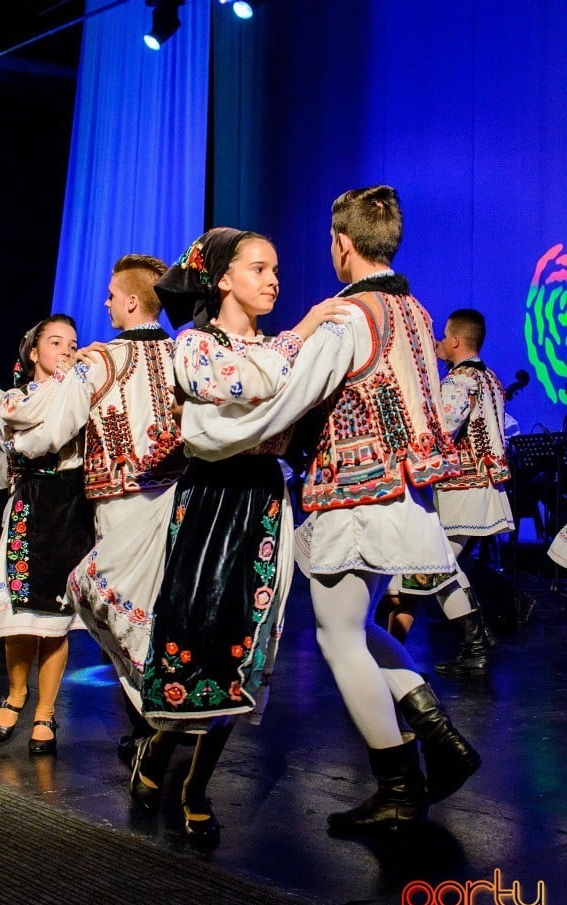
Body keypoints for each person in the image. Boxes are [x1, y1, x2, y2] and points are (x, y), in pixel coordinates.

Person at [179, 188, 482, 837]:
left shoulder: (350, 316)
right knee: (357, 625)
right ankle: (440, 737)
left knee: (337, 636)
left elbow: (288, 394)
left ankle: (400, 786)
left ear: (342, 243)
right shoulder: (412, 307)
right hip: (400, 490)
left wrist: (211, 431)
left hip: (357, 493)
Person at [137, 227, 344, 843]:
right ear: (223, 278)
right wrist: (301, 334)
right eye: (259, 268)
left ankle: (197, 785)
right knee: (191, 631)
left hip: (261, 499)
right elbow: (238, 381)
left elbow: (285, 400)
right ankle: (158, 745)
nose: (273, 279)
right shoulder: (195, 345)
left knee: (240, 642)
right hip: (208, 501)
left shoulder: (281, 349)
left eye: (276, 268)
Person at [1, 255, 184, 761]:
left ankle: (155, 724)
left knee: (107, 606)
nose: (104, 302)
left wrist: (18, 445)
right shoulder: (181, 353)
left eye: (109, 295)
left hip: (121, 502)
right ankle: (153, 726)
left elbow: (54, 429)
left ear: (130, 301)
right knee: (157, 611)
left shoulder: (101, 361)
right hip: (175, 499)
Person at [0, 315, 94, 754]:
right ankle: (16, 694)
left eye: (72, 343)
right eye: (55, 342)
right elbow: (26, 426)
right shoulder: (17, 398)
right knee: (19, 614)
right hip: (31, 502)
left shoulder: (81, 394)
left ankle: (46, 712)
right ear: (33, 352)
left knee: (55, 621)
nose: (66, 349)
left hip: (71, 505)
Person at [431, 309, 514, 675]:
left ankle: (477, 643)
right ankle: (480, 638)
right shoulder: (491, 378)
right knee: (444, 564)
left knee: (436, 566)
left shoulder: (459, 381)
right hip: (484, 484)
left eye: (443, 336)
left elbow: (439, 431)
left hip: (462, 487)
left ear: (455, 341)